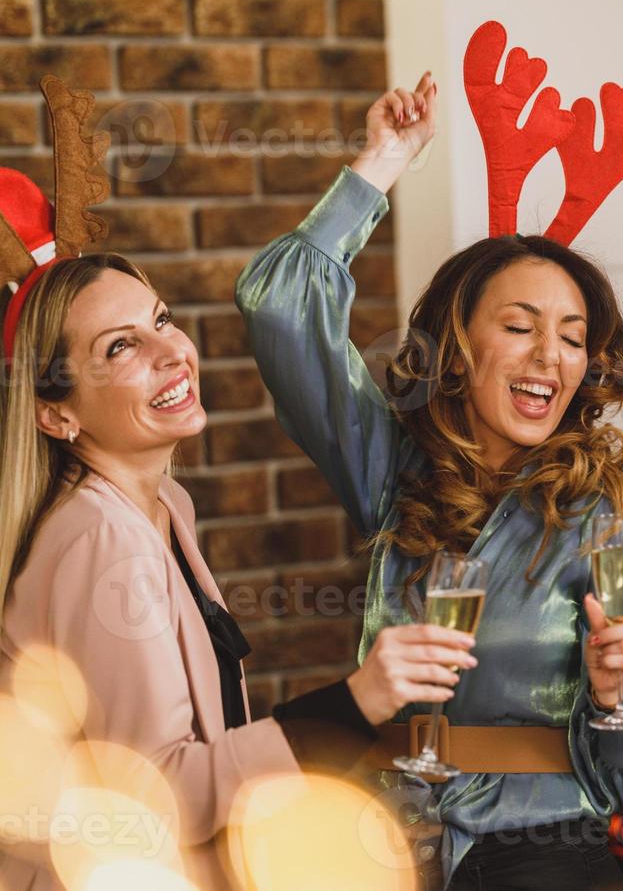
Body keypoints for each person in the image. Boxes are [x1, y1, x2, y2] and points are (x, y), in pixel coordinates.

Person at [235, 68, 623, 890]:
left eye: (572, 336)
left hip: (551, 859)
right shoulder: (393, 470)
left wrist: (613, 698)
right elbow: (281, 313)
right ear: (460, 349)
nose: (548, 356)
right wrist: (380, 163)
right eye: (519, 327)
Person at [0, 78, 471, 891]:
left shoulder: (158, 506)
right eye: (119, 348)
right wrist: (356, 700)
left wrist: (384, 156)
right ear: (55, 415)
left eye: (162, 320)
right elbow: (152, 797)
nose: (169, 353)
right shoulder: (96, 536)